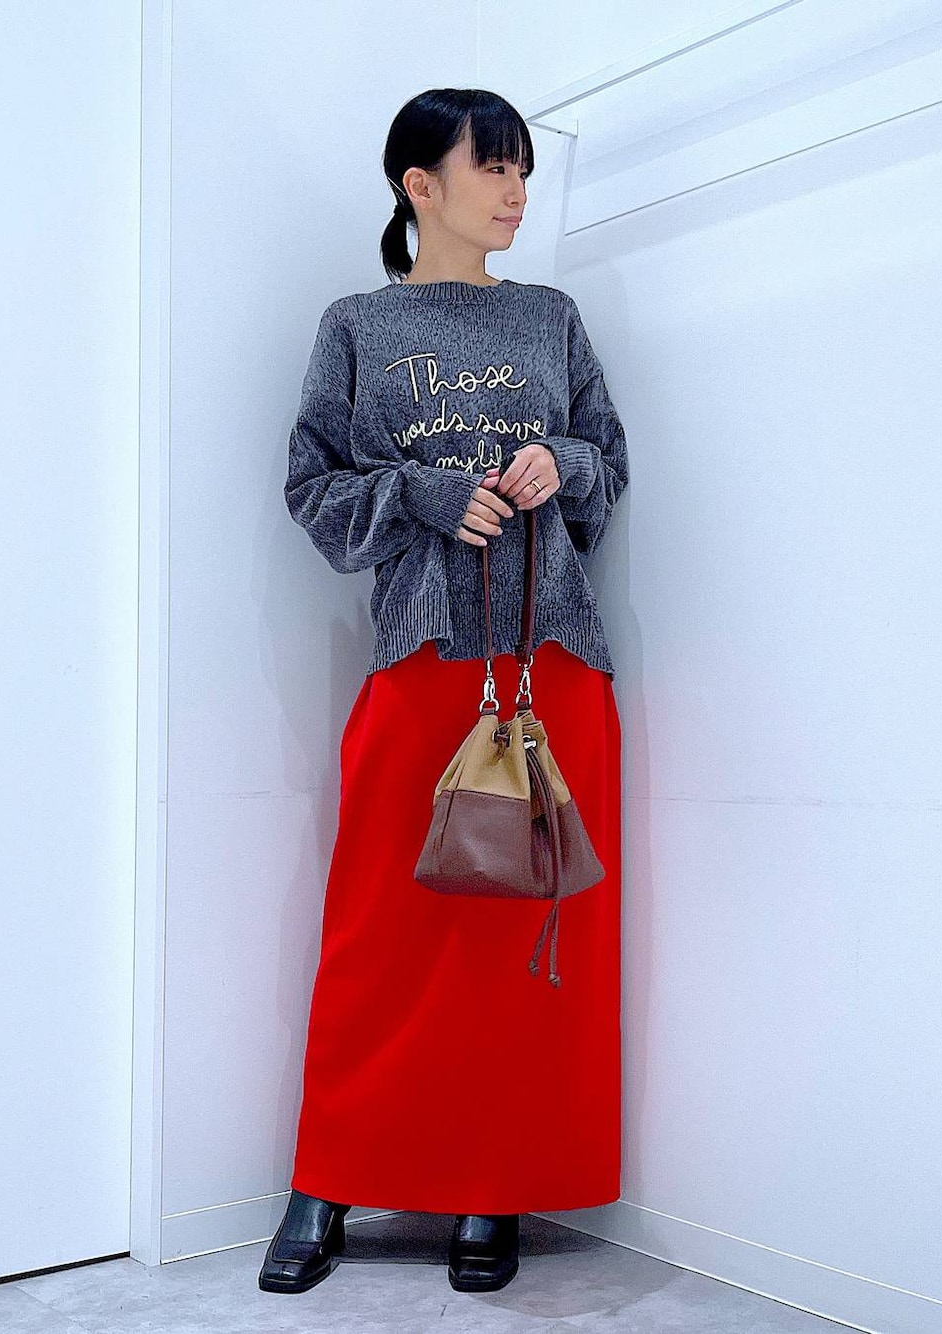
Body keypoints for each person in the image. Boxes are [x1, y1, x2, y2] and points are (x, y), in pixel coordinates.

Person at [259, 87, 629, 1298]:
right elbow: (312, 486)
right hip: (422, 663)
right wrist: (420, 492)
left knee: (519, 945)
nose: (516, 190)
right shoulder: (357, 325)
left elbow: (609, 460)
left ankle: (491, 1185)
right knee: (380, 929)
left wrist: (557, 461)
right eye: (492, 167)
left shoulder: (550, 317)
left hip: (548, 664)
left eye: (522, 169)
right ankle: (327, 1178)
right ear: (420, 184)